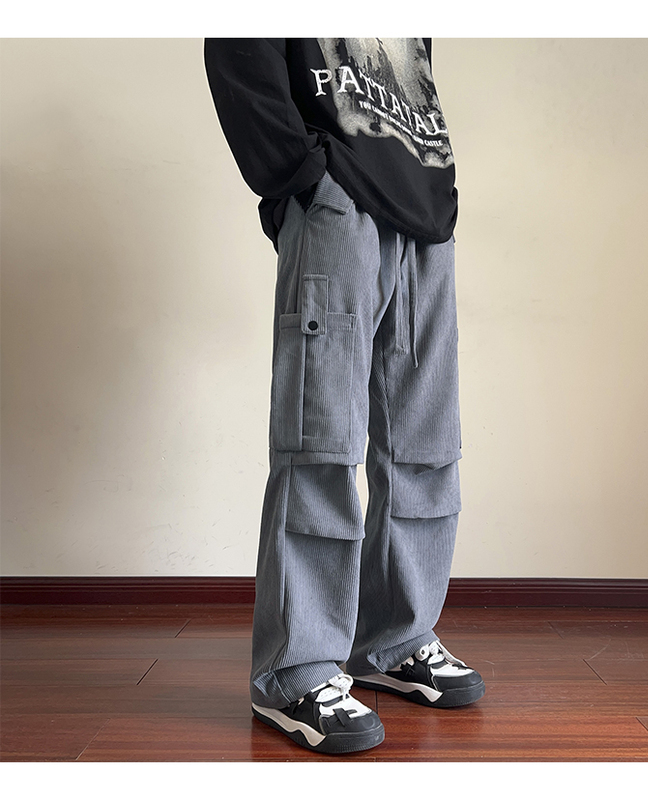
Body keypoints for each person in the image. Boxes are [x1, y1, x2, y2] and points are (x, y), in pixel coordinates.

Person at [203, 38, 485, 755]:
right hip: (338, 206)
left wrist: (439, 182)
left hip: (425, 214)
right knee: (321, 439)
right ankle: (295, 669)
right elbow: (239, 52)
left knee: (425, 443)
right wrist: (305, 178)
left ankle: (396, 639)